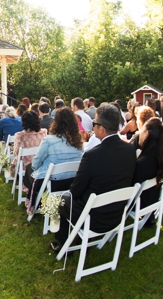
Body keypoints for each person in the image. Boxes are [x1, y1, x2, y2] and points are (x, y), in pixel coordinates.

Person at [52, 104, 136, 252]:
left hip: (93, 217)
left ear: (101, 128)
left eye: (94, 123)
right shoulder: (130, 150)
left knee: (62, 200)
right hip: (117, 214)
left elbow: (75, 191)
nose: (93, 126)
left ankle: (65, 243)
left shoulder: (92, 156)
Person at [25, 107, 83, 214]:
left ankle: (33, 200)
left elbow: (36, 162)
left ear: (56, 122)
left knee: (30, 169)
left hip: (53, 182)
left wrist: (36, 168)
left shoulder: (49, 140)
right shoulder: (78, 141)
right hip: (72, 181)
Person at [132, 117, 163, 226]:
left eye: (141, 130)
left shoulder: (142, 164)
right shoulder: (160, 157)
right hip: (152, 201)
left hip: (138, 204)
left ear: (146, 134)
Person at [9, 111, 47, 180]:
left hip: (25, 166)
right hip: (41, 165)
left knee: (14, 162)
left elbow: (16, 153)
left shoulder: (19, 135)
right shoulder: (44, 132)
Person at [0, 107, 23, 171]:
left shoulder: (2, 121)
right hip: (21, 147)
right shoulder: (21, 119)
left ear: (5, 113)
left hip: (9, 148)